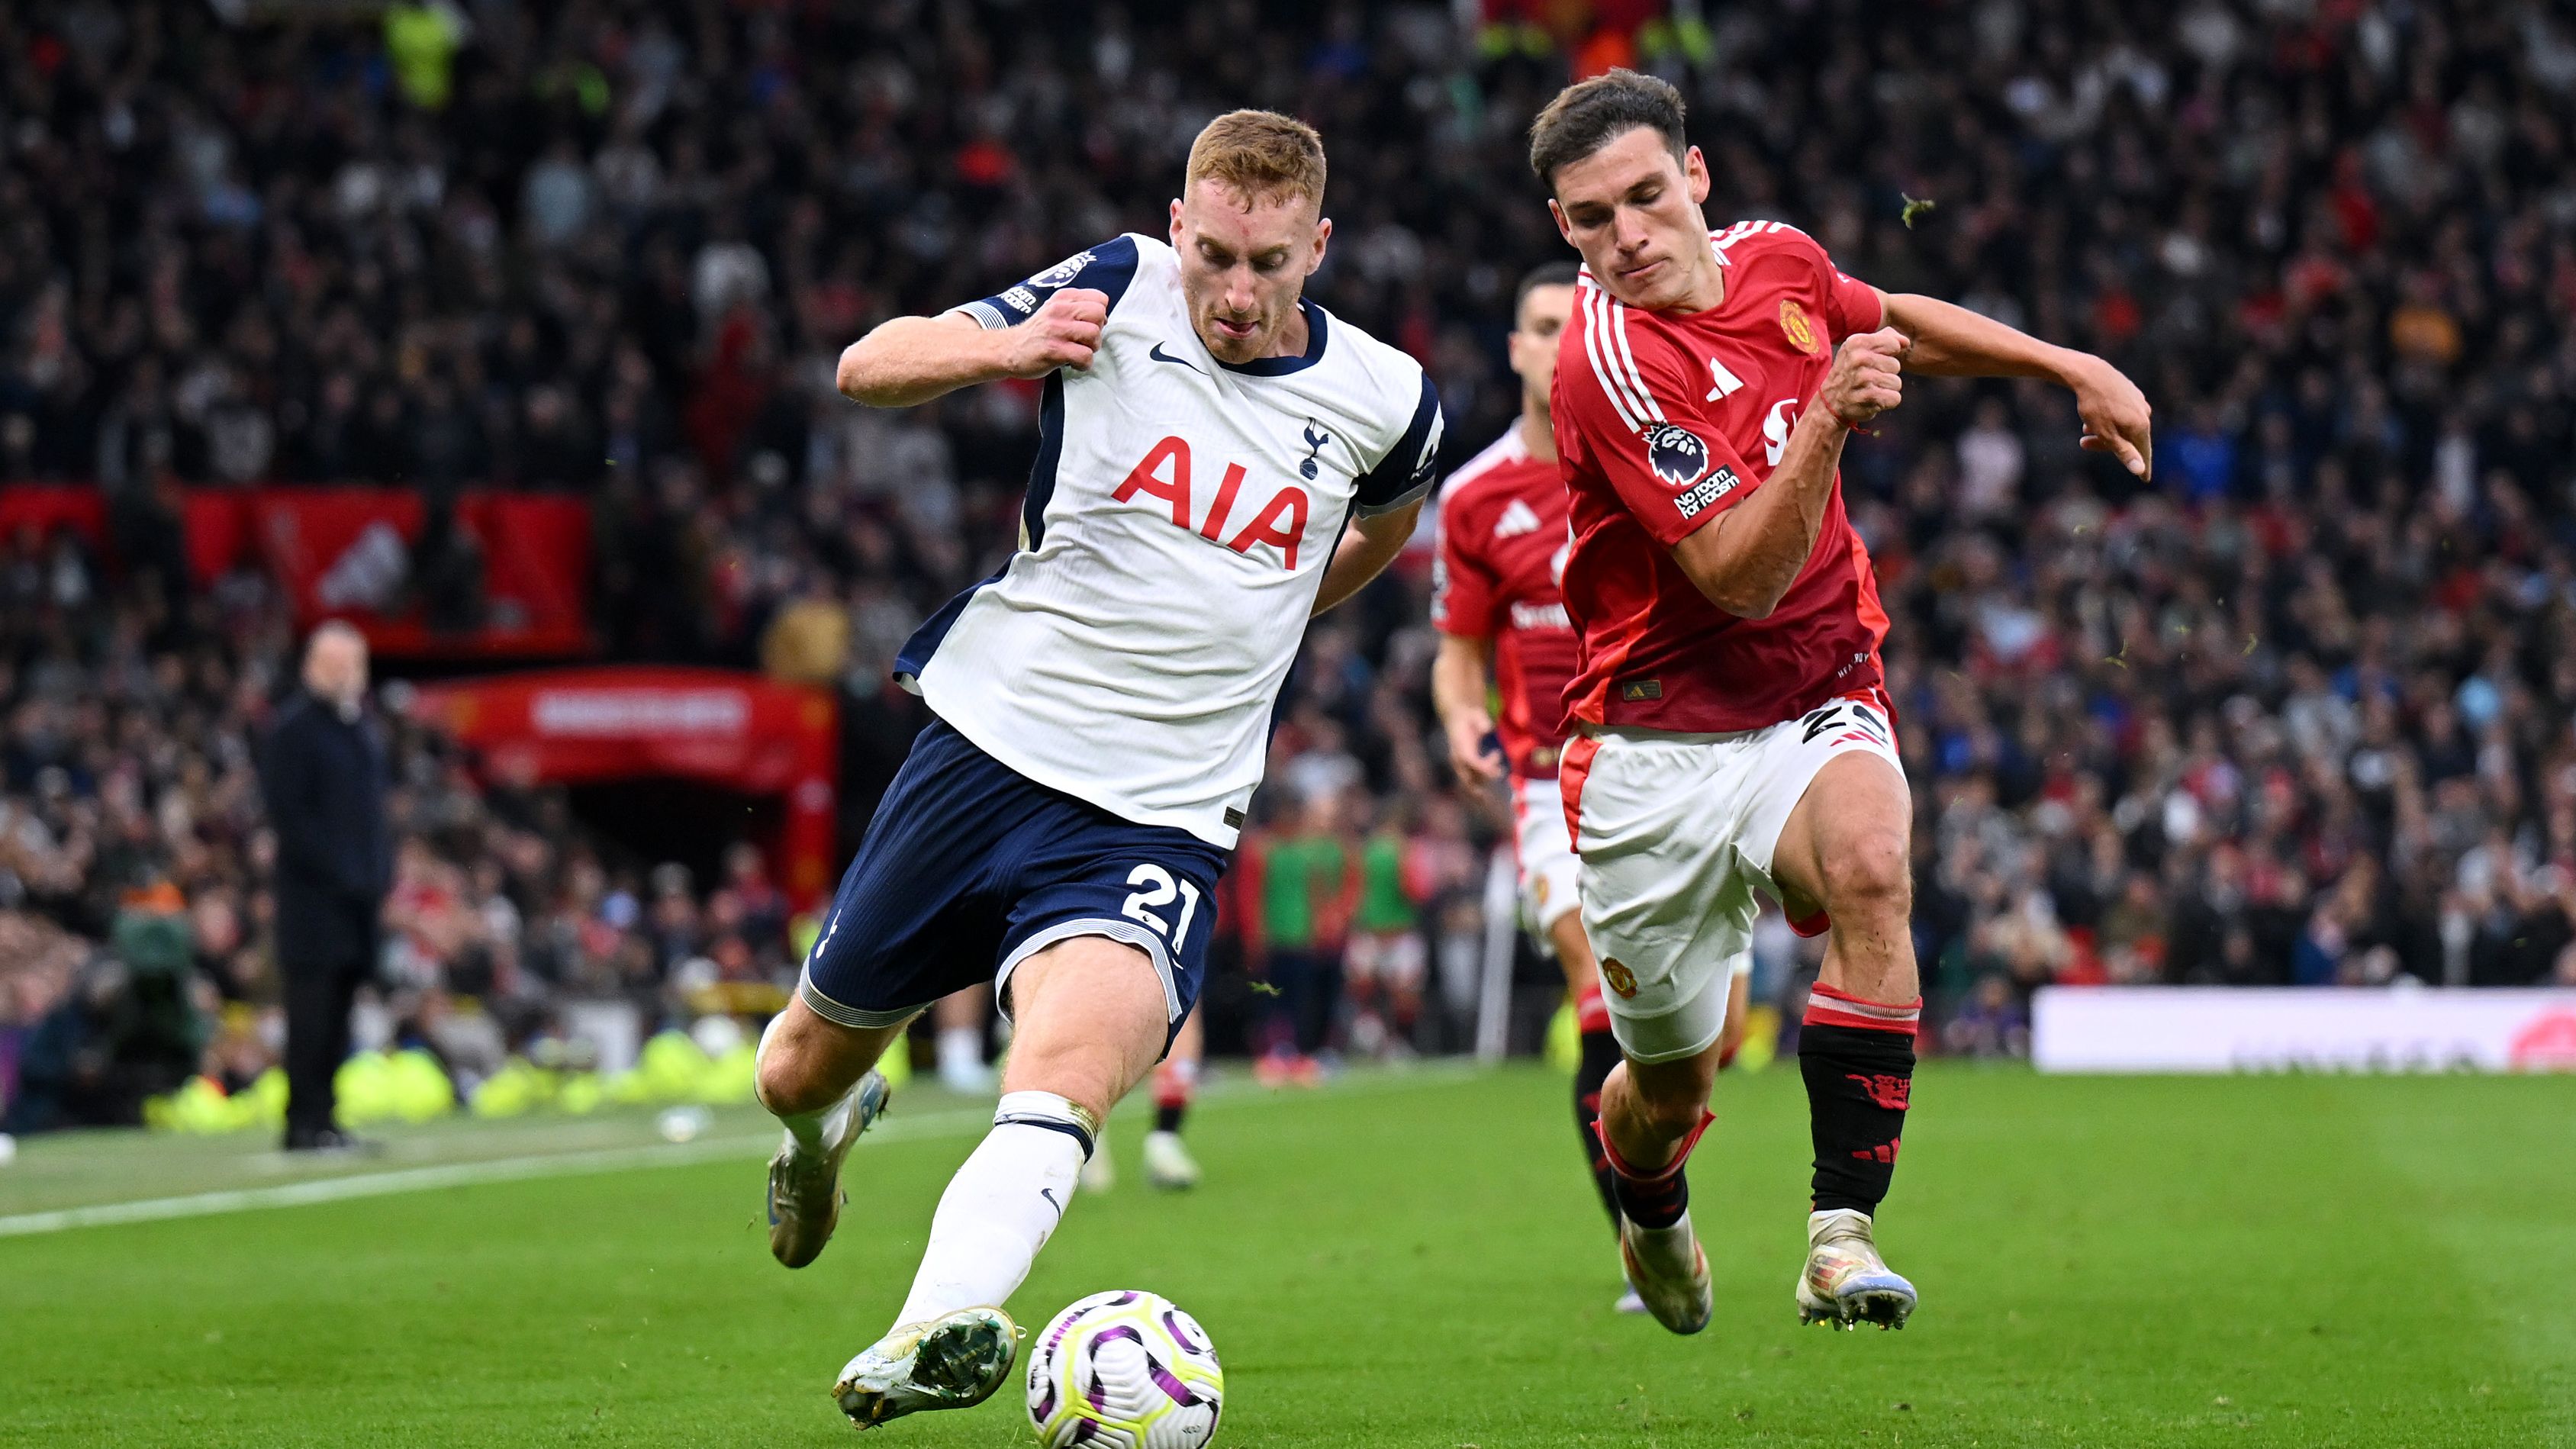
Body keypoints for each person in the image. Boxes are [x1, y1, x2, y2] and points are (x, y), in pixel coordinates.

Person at [751, 110, 1441, 1428]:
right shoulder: (1116, 284)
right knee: (796, 1064)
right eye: (1217, 255)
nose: (1237, 293)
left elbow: (1385, 523)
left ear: (1320, 247)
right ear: (1180, 225)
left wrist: (1278, 609)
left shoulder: (1390, 398)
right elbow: (866, 364)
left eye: (1271, 263)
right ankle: (817, 1138)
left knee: (1066, 1069)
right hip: (985, 752)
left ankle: (927, 1323)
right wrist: (1006, 347)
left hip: (1162, 811)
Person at [1528, 71, 2150, 1335]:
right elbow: (1738, 579)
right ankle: (1650, 1199)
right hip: (1655, 744)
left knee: (1871, 861)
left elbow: (1889, 322)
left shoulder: (1781, 258)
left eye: (1647, 196)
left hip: (1818, 686)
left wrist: (2061, 361)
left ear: (1695, 178)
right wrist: (1823, 420)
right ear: (1565, 229)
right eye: (1594, 220)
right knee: (1665, 1078)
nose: (1627, 235)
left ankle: (1837, 1235)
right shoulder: (1608, 368)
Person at [1428, 260, 1751, 1316]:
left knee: (1706, 1037)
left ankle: (1653, 1189)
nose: (1556, 338)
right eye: (1537, 324)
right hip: (1549, 777)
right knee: (1598, 990)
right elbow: (1459, 648)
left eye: (1575, 322)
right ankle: (1646, 1237)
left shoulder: (1657, 460)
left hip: (1682, 764)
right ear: (1517, 348)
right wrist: (1460, 718)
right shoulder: (1477, 497)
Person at [256, 621, 393, 1153]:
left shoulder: (360, 728)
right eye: (334, 664)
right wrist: (344, 871)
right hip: (314, 901)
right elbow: (290, 816)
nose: (345, 675)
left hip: (357, 901)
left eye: (351, 663)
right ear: (312, 666)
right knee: (310, 1013)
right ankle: (302, 1120)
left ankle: (327, 1117)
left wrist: (377, 875)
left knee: (339, 1012)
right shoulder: (294, 731)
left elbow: (373, 817)